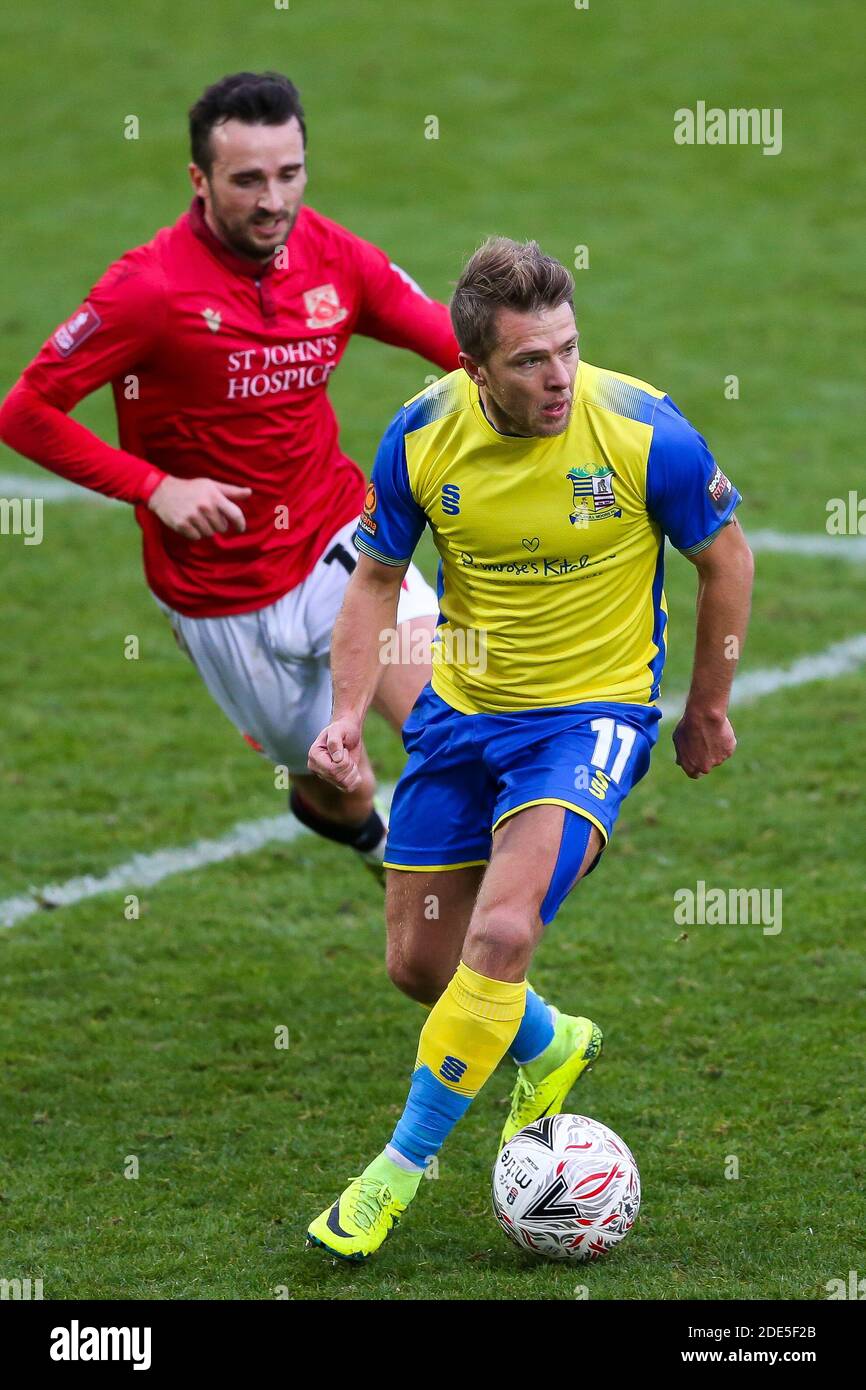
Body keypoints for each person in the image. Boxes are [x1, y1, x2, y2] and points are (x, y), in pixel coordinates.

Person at [305, 236, 754, 1259]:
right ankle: (551, 1044)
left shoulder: (643, 433)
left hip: (588, 718)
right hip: (462, 715)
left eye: (567, 348)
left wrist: (704, 706)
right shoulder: (421, 436)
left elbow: (725, 557)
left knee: (498, 938)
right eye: (528, 361)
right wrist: (343, 714)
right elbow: (375, 578)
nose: (558, 378)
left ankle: (392, 1175)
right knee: (421, 963)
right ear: (473, 368)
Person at [0, 72, 460, 875]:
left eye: (289, 174)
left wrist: (567, 388)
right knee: (335, 783)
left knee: (447, 720)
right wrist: (154, 488)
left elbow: (456, 343)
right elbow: (25, 413)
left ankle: (482, 926)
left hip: (336, 539)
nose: (272, 199)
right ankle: (372, 839)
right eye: (248, 179)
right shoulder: (148, 290)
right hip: (219, 599)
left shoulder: (334, 259)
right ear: (199, 180)